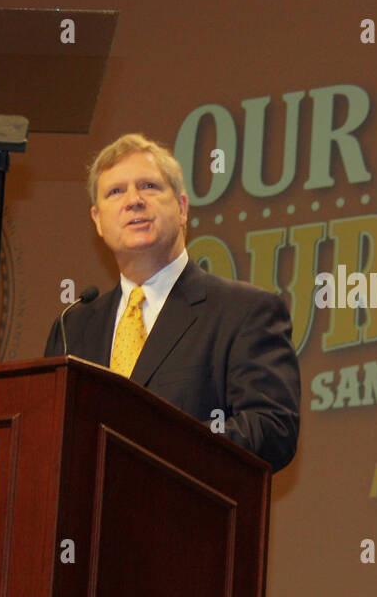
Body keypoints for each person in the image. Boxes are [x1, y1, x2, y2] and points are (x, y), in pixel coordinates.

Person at [44, 133, 300, 471]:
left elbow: (272, 429)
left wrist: (159, 450)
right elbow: (49, 440)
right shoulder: (72, 327)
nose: (133, 200)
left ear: (181, 208)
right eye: (115, 192)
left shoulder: (244, 311)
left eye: (149, 186)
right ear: (98, 220)